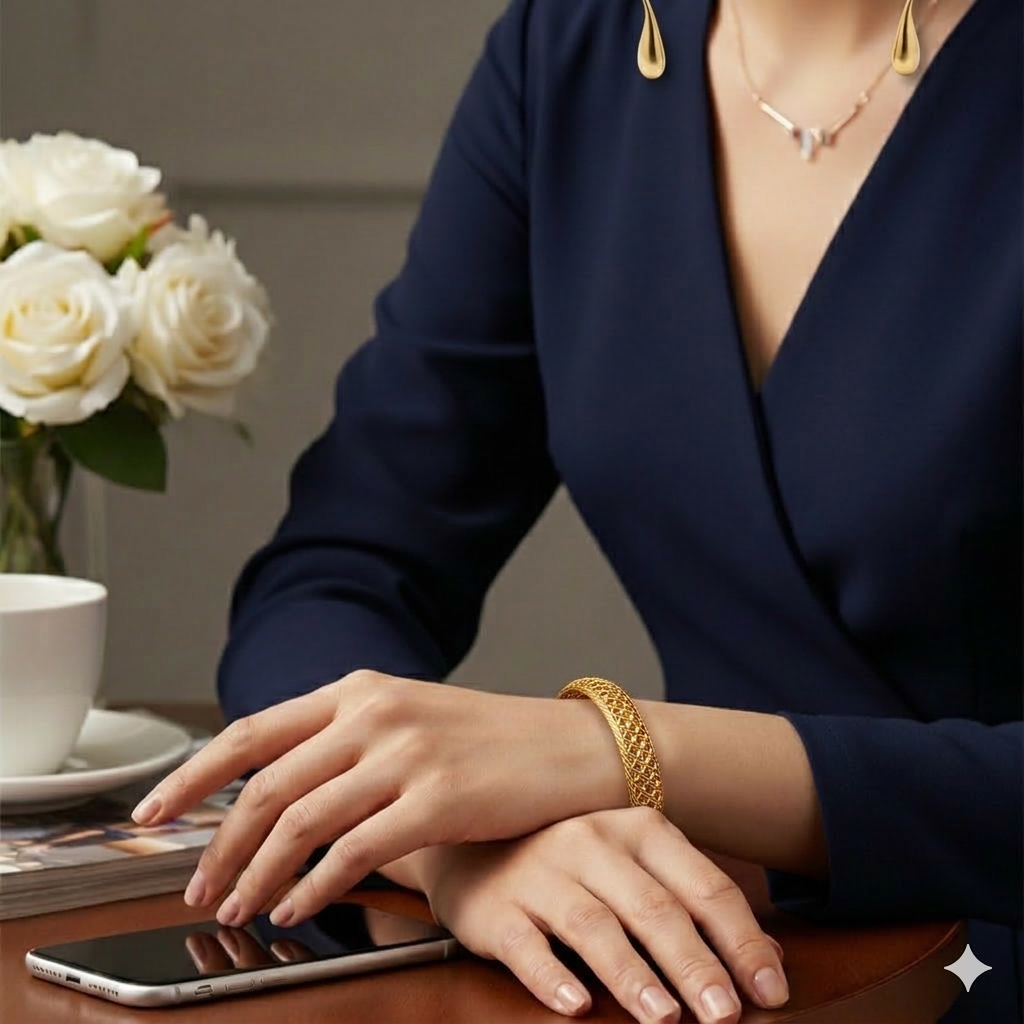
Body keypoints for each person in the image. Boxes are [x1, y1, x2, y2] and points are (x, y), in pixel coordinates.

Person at [132, 1, 1022, 1021]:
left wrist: (620, 755)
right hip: (704, 965)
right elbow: (339, 565)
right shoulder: (569, 54)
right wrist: (459, 841)